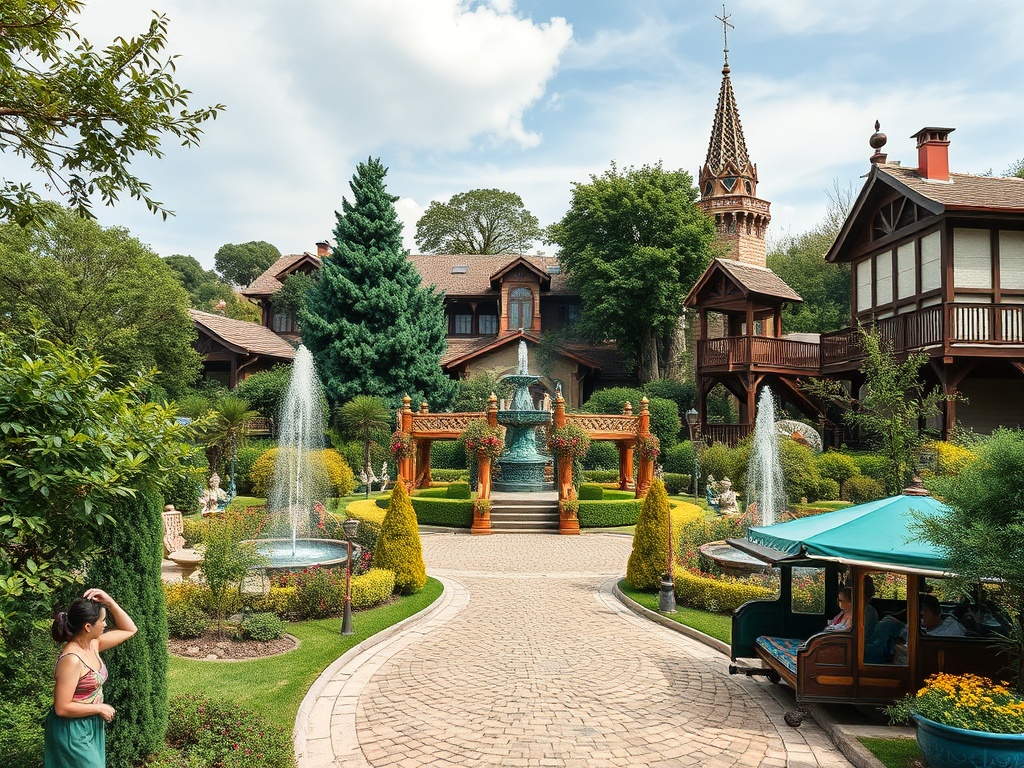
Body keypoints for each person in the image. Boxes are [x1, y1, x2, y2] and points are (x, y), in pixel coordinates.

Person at [45, 589, 137, 768]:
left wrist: (109, 602)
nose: (105, 624)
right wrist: (99, 708)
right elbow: (61, 708)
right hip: (72, 730)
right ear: (88, 627)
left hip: (90, 725)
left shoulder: (92, 645)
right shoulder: (71, 660)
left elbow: (130, 629)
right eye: (102, 620)